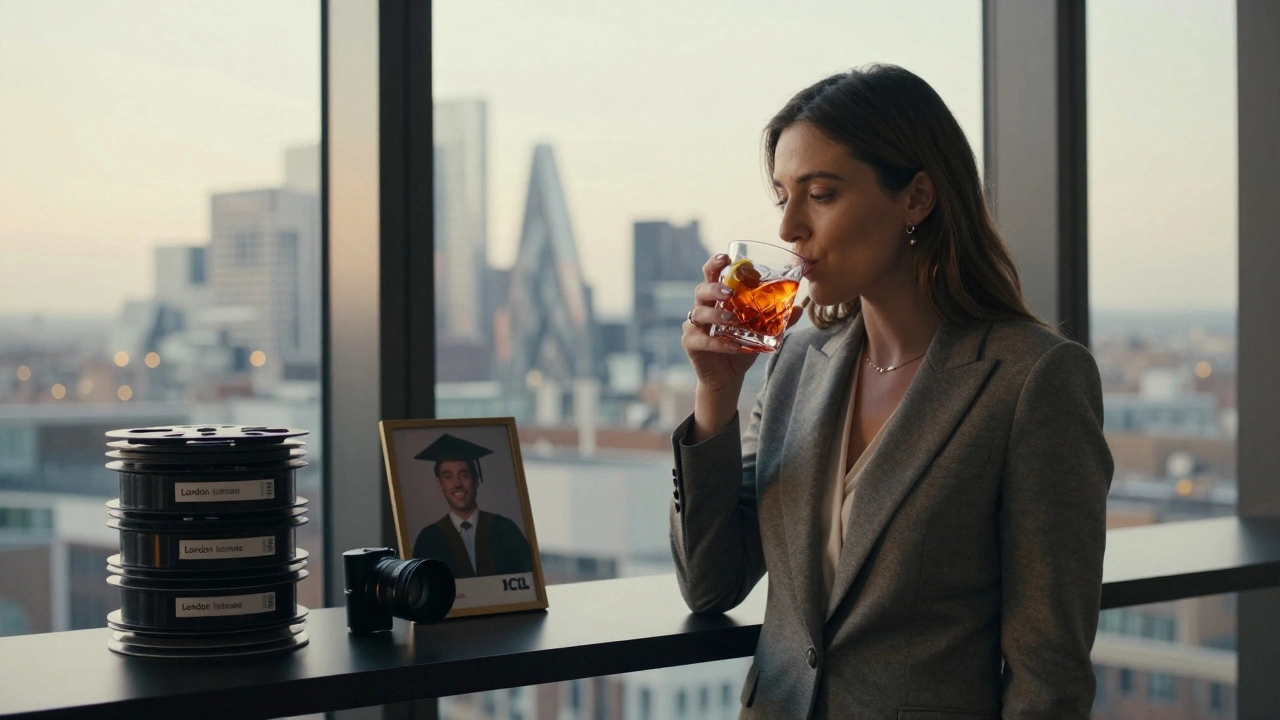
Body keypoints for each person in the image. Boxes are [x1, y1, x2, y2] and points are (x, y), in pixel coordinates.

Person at [673, 64, 1113, 720]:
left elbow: (1047, 671)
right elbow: (711, 586)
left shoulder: (1033, 380)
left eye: (819, 194)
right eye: (781, 196)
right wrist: (715, 397)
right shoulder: (796, 365)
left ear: (917, 198)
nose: (790, 226)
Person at [412, 433, 533, 578]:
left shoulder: (505, 530)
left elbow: (527, 586)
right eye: (448, 476)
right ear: (440, 484)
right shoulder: (429, 539)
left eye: (464, 475)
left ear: (476, 480)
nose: (457, 484)